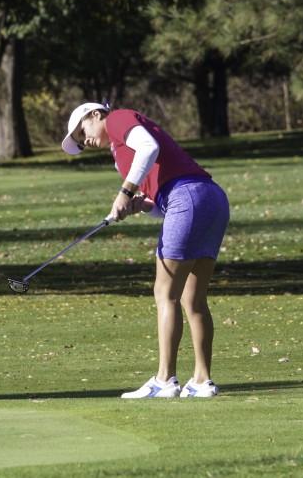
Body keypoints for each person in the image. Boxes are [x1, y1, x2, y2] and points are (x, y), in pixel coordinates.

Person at [62, 102, 230, 398]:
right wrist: (140, 204)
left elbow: (149, 147)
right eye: (79, 142)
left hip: (189, 196)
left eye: (81, 131)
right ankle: (202, 382)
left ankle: (165, 380)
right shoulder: (121, 156)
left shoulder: (117, 120)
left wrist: (125, 192)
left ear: (95, 114)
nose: (84, 140)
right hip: (211, 199)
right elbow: (160, 201)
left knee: (165, 294)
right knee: (193, 299)